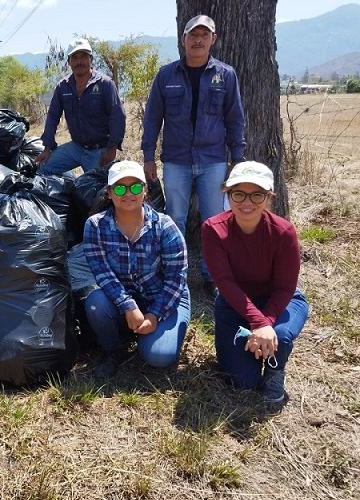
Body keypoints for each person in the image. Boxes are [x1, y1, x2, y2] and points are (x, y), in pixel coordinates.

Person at [141, 15, 246, 294]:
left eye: (204, 35)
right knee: (175, 218)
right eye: (193, 35)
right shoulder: (166, 75)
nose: (198, 40)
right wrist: (148, 156)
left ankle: (213, 276)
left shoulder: (226, 75)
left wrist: (238, 158)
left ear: (213, 39)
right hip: (176, 160)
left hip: (213, 160)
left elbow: (235, 118)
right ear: (183, 39)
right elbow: (152, 118)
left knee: (213, 219)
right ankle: (176, 275)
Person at [201, 161, 308, 404]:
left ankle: (274, 370)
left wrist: (264, 324)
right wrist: (258, 322)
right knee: (242, 381)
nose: (247, 202)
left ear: (269, 197)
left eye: (257, 195)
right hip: (234, 304)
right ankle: (257, 347)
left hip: (280, 301)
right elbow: (224, 283)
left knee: (280, 334)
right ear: (227, 194)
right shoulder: (213, 229)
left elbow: (285, 287)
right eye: (238, 194)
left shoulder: (283, 231)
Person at [83, 160, 189, 378]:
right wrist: (127, 305)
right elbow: (102, 272)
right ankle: (112, 350)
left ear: (145, 190)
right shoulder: (95, 225)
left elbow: (176, 278)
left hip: (164, 297)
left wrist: (154, 314)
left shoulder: (165, 226)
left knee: (159, 356)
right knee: (95, 304)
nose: (128, 193)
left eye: (135, 187)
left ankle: (148, 331)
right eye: (120, 188)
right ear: (109, 193)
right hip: (122, 296)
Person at [36, 38, 126, 176]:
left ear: (91, 59)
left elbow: (118, 116)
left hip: (99, 151)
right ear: (69, 62)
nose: (79, 62)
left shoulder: (105, 84)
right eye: (75, 58)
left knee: (95, 186)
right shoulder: (63, 86)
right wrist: (47, 148)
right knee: (43, 168)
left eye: (83, 56)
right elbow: (53, 117)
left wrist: (112, 148)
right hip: (76, 147)